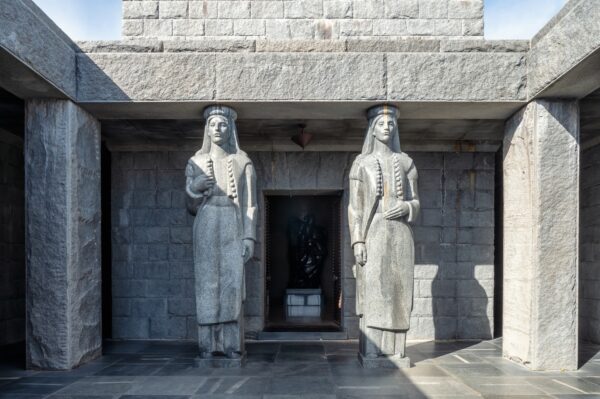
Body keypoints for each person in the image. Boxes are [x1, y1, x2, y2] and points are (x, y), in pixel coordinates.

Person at [348, 104, 420, 363]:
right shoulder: (361, 164)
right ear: (373, 129)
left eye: (391, 124)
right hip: (373, 232)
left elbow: (416, 202)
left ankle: (397, 349)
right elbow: (354, 207)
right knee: (374, 292)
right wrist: (357, 240)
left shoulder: (407, 163)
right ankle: (372, 349)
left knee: (398, 292)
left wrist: (407, 207)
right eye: (381, 123)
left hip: (400, 232)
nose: (386, 127)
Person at [185, 105, 257, 360]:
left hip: (232, 223)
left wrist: (249, 237)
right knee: (207, 283)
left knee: (231, 284)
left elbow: (250, 203)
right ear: (207, 129)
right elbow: (191, 206)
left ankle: (231, 345)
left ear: (230, 129)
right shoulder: (195, 162)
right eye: (213, 124)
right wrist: (194, 188)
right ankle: (207, 344)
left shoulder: (242, 161)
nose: (217, 129)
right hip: (206, 223)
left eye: (222, 124)